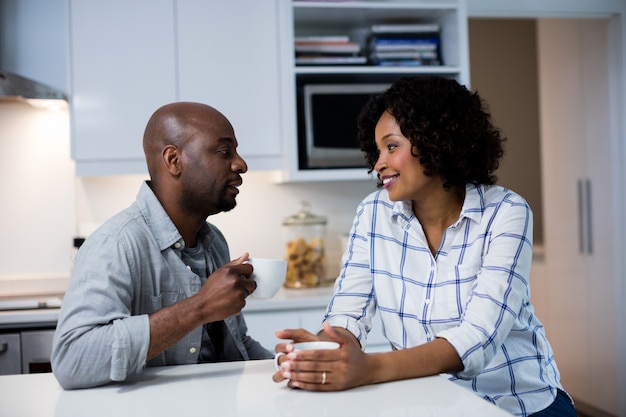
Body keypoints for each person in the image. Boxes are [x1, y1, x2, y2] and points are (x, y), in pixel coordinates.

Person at [272, 76, 576, 417]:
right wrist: (326, 350)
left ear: (436, 141)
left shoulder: (506, 212)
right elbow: (349, 310)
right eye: (376, 151)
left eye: (391, 146)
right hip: (431, 405)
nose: (378, 164)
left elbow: (478, 337)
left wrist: (368, 369)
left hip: (519, 404)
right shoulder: (374, 213)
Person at [52, 102, 273, 390]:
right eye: (224, 151)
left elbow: (233, 344)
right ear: (173, 160)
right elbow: (73, 359)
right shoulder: (117, 244)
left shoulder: (214, 241)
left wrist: (291, 363)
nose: (240, 163)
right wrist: (200, 307)